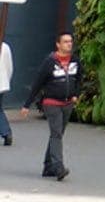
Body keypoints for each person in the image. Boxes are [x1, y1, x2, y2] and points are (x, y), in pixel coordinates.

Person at [21, 30, 81, 180]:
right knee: (56, 134)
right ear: (58, 44)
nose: (69, 44)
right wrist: (27, 104)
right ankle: (58, 167)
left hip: (67, 103)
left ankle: (48, 166)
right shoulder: (50, 62)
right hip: (52, 103)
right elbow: (37, 83)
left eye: (70, 41)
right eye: (65, 42)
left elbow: (79, 78)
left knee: (58, 134)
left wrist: (76, 94)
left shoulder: (75, 61)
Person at [0, 38, 13, 145]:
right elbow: (9, 67)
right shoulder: (5, 47)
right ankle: (6, 132)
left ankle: (5, 132)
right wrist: (6, 80)